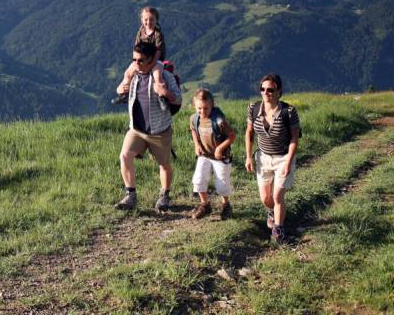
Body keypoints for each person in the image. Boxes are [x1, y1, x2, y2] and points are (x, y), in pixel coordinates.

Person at [115, 41, 182, 211]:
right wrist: (122, 86)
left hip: (159, 130)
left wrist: (164, 92)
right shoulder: (134, 74)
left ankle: (165, 196)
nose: (136, 63)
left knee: (164, 164)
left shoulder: (166, 77)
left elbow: (179, 99)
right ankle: (130, 196)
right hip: (136, 129)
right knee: (124, 156)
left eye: (141, 60)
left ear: (152, 60)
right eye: (134, 59)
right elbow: (119, 90)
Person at [245, 74, 301, 244]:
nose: (266, 92)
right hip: (262, 157)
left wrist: (289, 161)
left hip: (283, 157)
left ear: (279, 91)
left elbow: (294, 138)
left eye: (271, 89)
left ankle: (278, 230)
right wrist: (248, 156)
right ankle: (272, 212)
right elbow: (249, 132)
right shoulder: (253, 108)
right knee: (266, 199)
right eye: (263, 89)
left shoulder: (289, 112)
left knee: (277, 196)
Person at [189, 89, 236, 220]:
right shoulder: (194, 118)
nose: (202, 112)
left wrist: (220, 148)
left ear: (212, 106)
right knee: (198, 180)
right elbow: (193, 130)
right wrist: (197, 145)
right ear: (194, 106)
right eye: (199, 108)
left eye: (206, 108)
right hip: (204, 155)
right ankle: (205, 205)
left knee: (221, 184)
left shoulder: (219, 120)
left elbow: (232, 135)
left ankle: (226, 205)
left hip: (220, 157)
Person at [114, 7, 170, 110]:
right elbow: (136, 47)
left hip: (156, 60)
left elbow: (158, 51)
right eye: (146, 19)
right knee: (128, 73)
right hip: (142, 59)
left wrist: (151, 64)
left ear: (156, 20)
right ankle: (124, 94)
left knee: (157, 77)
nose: (148, 22)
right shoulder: (141, 31)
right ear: (142, 20)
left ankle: (162, 97)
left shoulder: (158, 34)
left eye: (152, 19)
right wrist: (136, 61)